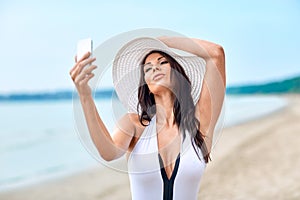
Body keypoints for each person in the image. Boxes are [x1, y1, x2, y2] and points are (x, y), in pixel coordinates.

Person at [69, 36, 226, 200]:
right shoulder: (135, 125)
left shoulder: (199, 123)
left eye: (162, 62)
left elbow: (216, 53)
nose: (155, 68)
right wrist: (85, 95)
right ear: (146, 85)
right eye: (148, 69)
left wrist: (157, 40)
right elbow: (108, 152)